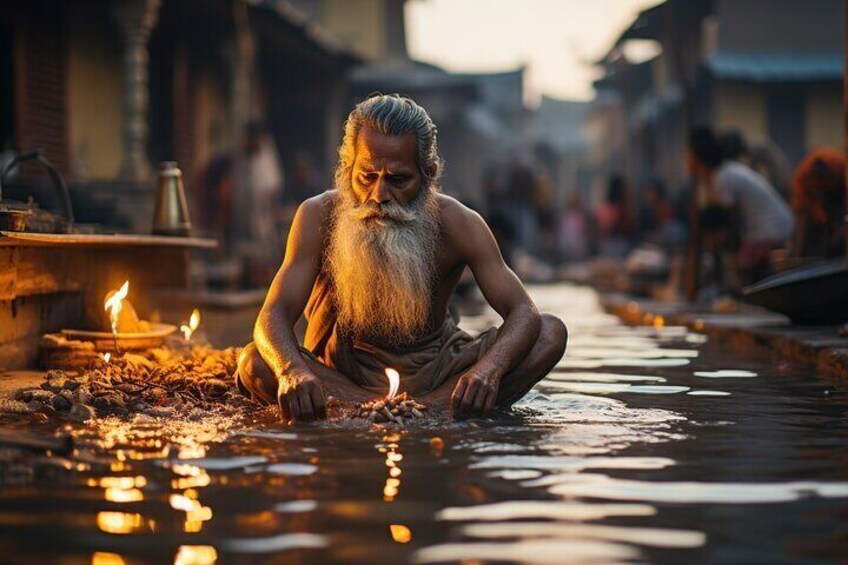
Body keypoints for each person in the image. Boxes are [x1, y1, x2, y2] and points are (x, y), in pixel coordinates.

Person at [234, 94, 567, 423]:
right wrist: (292, 371)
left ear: (428, 174)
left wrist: (487, 371)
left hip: (439, 374)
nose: (379, 195)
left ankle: (416, 408)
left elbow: (524, 312)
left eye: (398, 179)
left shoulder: (459, 222)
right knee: (255, 363)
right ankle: (416, 413)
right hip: (342, 375)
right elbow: (273, 314)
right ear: (348, 169)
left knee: (550, 333)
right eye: (367, 176)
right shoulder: (317, 215)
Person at [687, 127, 794, 286]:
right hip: (768, 229)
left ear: (697, 155)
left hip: (771, 230)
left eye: (688, 154)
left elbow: (731, 223)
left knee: (745, 268)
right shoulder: (719, 176)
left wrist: (736, 255)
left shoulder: (724, 177)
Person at [790, 147, 845, 259]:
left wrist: (844, 229)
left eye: (827, 180)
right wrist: (797, 252)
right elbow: (802, 214)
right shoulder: (803, 179)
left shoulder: (840, 166)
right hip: (820, 218)